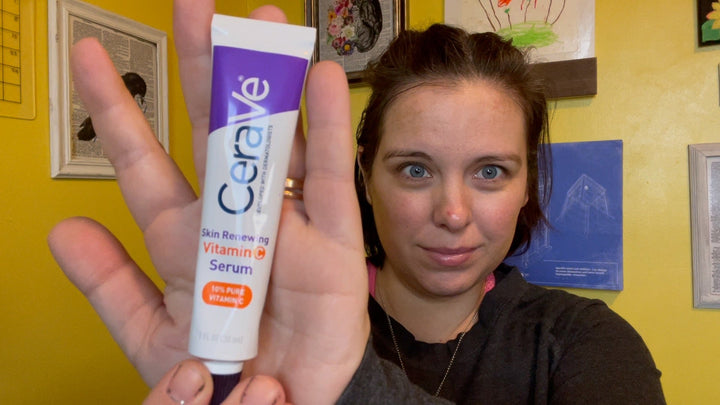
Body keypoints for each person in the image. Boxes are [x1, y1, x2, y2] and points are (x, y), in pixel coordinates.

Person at [48, 1, 666, 404]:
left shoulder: (584, 345)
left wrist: (348, 386)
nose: (453, 213)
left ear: (526, 183)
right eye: (415, 169)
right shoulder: (254, 331)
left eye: (490, 172)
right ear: (365, 177)